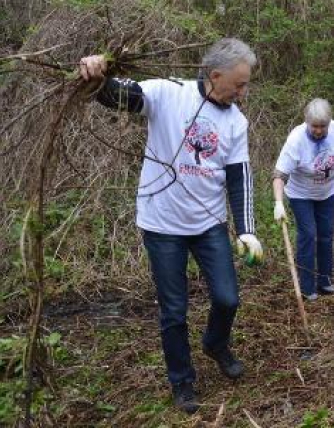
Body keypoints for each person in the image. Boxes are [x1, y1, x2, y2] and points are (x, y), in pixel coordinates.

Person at [78, 38, 264, 415]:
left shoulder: (236, 121)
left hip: (209, 224)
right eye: (240, 84)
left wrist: (246, 229)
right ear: (215, 76)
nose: (244, 92)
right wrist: (97, 75)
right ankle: (183, 381)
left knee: (228, 298)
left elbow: (239, 177)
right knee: (174, 310)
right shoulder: (168, 93)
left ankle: (215, 343)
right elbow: (120, 96)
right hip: (162, 225)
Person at [272, 99, 334, 300]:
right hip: (301, 194)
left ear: (329, 122)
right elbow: (279, 175)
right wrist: (278, 203)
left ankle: (325, 280)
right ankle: (307, 286)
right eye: (314, 126)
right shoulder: (296, 141)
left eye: (323, 126)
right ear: (306, 122)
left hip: (327, 193)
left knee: (326, 235)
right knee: (308, 235)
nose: (319, 130)